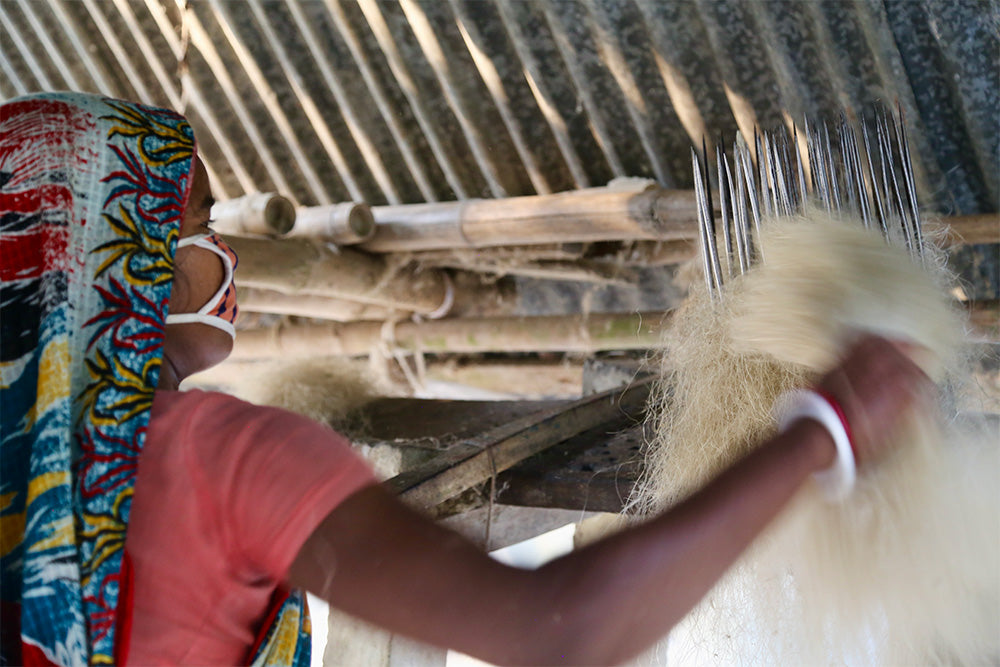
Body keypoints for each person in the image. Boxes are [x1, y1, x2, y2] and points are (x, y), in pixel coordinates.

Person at [0, 92, 932, 666]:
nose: (224, 252)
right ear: (109, 252)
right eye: (195, 221)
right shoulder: (214, 460)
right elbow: (553, 630)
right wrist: (826, 430)